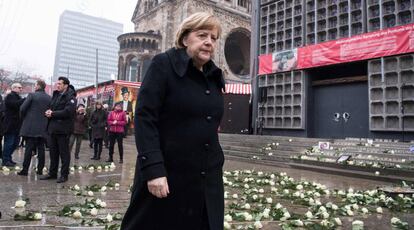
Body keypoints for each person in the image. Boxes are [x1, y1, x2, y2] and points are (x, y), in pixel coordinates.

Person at [121, 12, 225, 230]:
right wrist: (153, 170)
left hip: (205, 180)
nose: (208, 42)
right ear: (185, 38)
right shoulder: (164, 65)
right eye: (202, 35)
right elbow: (145, 117)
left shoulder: (214, 76)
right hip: (167, 175)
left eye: (213, 38)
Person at [40, 77, 76, 183]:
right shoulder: (56, 94)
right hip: (53, 128)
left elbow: (68, 112)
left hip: (63, 129)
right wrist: (48, 112)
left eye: (60, 84)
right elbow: (51, 107)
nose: (58, 85)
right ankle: (52, 173)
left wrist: (53, 114)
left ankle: (64, 175)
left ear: (66, 85)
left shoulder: (71, 97)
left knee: (64, 153)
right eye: (57, 83)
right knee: (53, 152)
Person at [17, 80, 51, 176]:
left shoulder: (32, 95)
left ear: (38, 86)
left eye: (35, 85)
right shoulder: (49, 98)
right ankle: (40, 169)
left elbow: (22, 108)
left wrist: (25, 118)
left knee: (29, 148)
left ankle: (25, 169)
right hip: (43, 127)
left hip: (31, 127)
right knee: (41, 149)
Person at [2, 83, 25, 167]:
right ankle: (5, 159)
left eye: (21, 87)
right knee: (9, 143)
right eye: (19, 87)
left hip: (17, 125)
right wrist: (24, 100)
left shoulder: (18, 97)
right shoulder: (10, 96)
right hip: (10, 125)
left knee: (15, 143)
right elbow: (14, 104)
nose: (21, 89)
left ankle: (8, 158)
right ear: (14, 88)